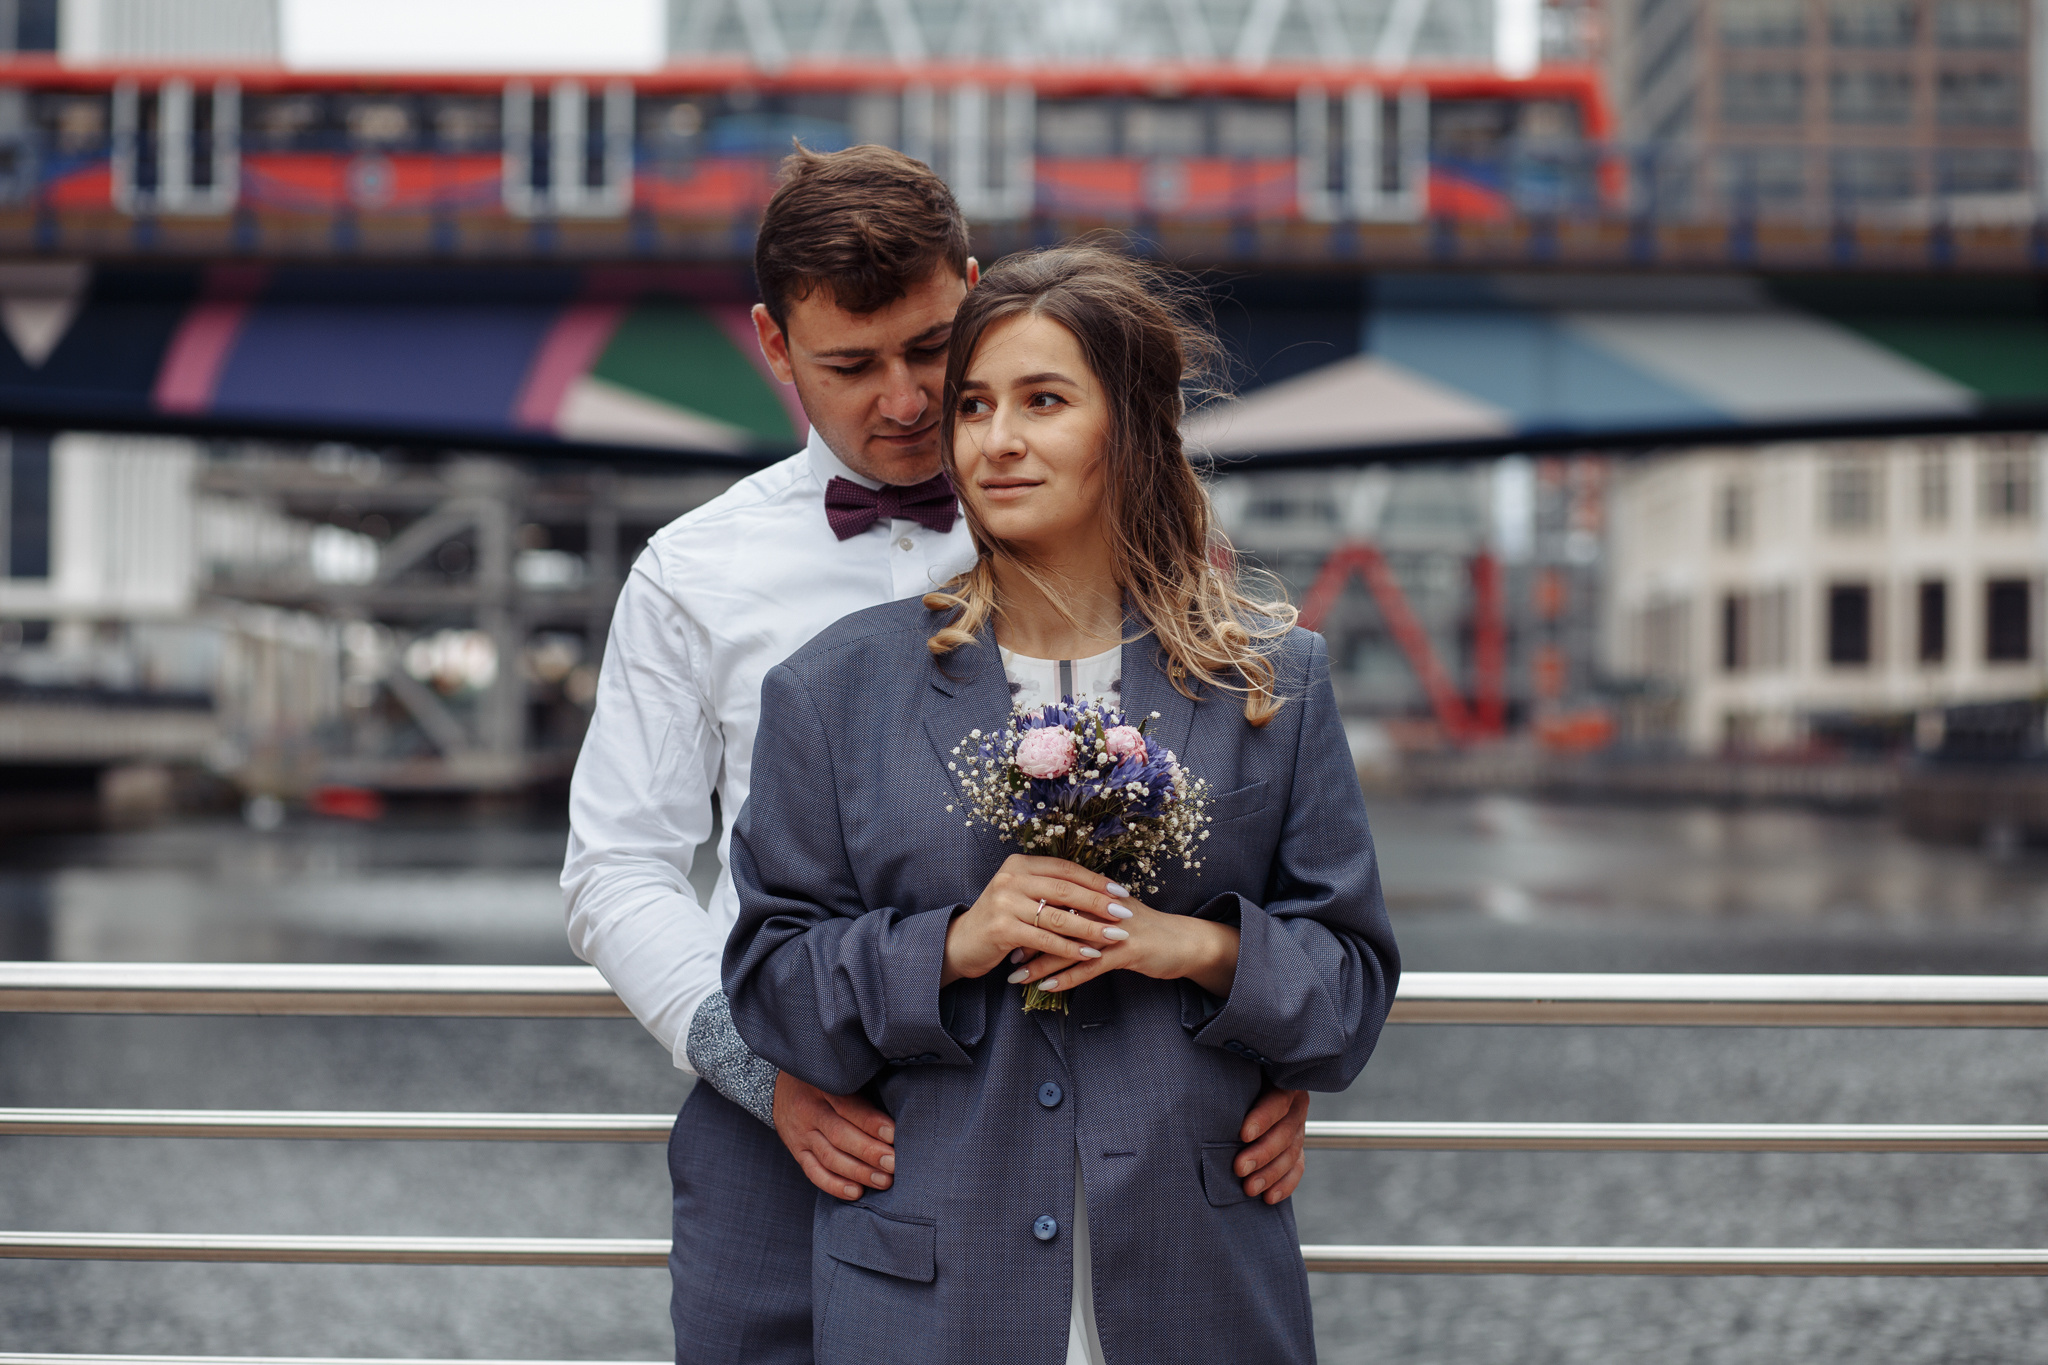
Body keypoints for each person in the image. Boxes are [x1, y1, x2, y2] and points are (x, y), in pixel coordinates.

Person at [561, 149, 1313, 1365]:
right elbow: (617, 868)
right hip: (786, 1119)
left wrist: (1257, 1056)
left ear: (971, 290)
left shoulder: (1104, 532)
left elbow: (1244, 837)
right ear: (772, 344)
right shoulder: (692, 573)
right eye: (850, 367)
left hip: (1084, 1135)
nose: (907, 400)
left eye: (929, 349)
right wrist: (765, 1079)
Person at [722, 243, 1399, 1364]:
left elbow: (1352, 991)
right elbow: (770, 985)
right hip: (928, 1302)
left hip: (1198, 1291)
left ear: (1128, 427)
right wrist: (955, 943)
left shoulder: (1273, 682)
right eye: (974, 405)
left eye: (1042, 401)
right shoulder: (831, 688)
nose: (995, 439)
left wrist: (1196, 948)